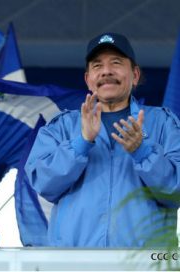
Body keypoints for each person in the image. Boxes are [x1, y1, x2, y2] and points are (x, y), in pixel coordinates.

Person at [25, 32, 180, 247]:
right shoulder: (61, 126)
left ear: (135, 75)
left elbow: (176, 192)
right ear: (88, 79)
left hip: (145, 264)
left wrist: (143, 152)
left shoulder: (164, 123)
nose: (106, 71)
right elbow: (42, 183)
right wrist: (81, 143)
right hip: (74, 263)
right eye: (97, 66)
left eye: (116, 63)